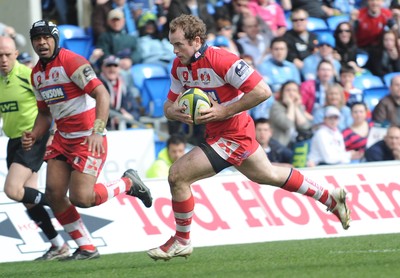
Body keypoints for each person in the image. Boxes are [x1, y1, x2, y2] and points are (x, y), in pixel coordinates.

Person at [146, 14, 351, 261]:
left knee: (177, 175)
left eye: (178, 44)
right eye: (172, 44)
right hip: (216, 133)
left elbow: (262, 91)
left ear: (196, 41)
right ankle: (330, 198)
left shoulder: (222, 59)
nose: (174, 50)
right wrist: (176, 112)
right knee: (269, 175)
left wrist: (223, 110)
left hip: (235, 134)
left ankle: (182, 241)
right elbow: (167, 107)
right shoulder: (179, 67)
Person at [22, 20, 153, 260]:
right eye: (36, 39)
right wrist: (35, 134)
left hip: (88, 139)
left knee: (82, 199)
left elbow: (101, 93)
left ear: (55, 39)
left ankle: (127, 183)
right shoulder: (36, 74)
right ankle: (87, 247)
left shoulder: (72, 62)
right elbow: (44, 113)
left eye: (46, 38)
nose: (41, 43)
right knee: (54, 193)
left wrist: (98, 130)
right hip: (62, 139)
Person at [0, 35, 69, 261]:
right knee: (28, 198)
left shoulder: (28, 76)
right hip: (13, 141)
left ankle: (57, 200)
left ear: (16, 54)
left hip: (32, 138)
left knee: (12, 189)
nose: (3, 59)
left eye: (7, 54)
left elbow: (52, 104)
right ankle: (58, 245)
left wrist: (52, 133)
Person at [98, 55, 143, 130]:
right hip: (104, 128)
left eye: (115, 65)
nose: (112, 69)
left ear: (119, 68)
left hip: (122, 129)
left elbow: (136, 110)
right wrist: (119, 116)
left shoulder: (124, 87)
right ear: (102, 68)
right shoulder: (98, 86)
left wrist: (130, 117)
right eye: (108, 66)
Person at [269, 81, 313, 147]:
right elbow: (287, 124)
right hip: (280, 146)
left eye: (294, 90)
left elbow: (305, 127)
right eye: (288, 90)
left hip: (296, 146)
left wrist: (295, 106)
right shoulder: (276, 106)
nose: (291, 93)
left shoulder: (299, 106)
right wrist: (291, 105)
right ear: (282, 93)